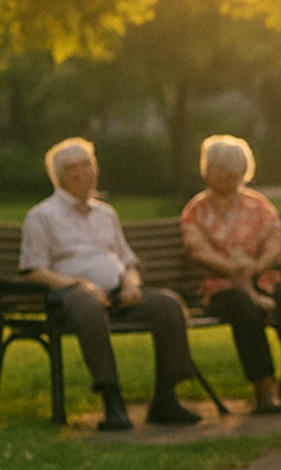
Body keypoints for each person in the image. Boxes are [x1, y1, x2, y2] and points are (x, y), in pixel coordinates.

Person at [19, 138, 202, 430]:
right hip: (70, 299)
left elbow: (127, 261)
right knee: (88, 306)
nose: (82, 172)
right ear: (58, 176)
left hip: (118, 295)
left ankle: (166, 399)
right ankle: (112, 401)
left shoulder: (106, 213)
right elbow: (35, 271)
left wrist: (130, 283)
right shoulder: (42, 216)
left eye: (86, 165)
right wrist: (77, 283)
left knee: (167, 304)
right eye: (72, 167)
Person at [179, 135, 281, 413]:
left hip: (265, 283)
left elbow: (275, 245)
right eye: (218, 168)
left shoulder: (258, 206)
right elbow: (197, 250)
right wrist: (234, 269)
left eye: (232, 169)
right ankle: (264, 386)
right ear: (207, 170)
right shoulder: (196, 210)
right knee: (244, 307)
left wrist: (253, 268)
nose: (225, 175)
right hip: (221, 288)